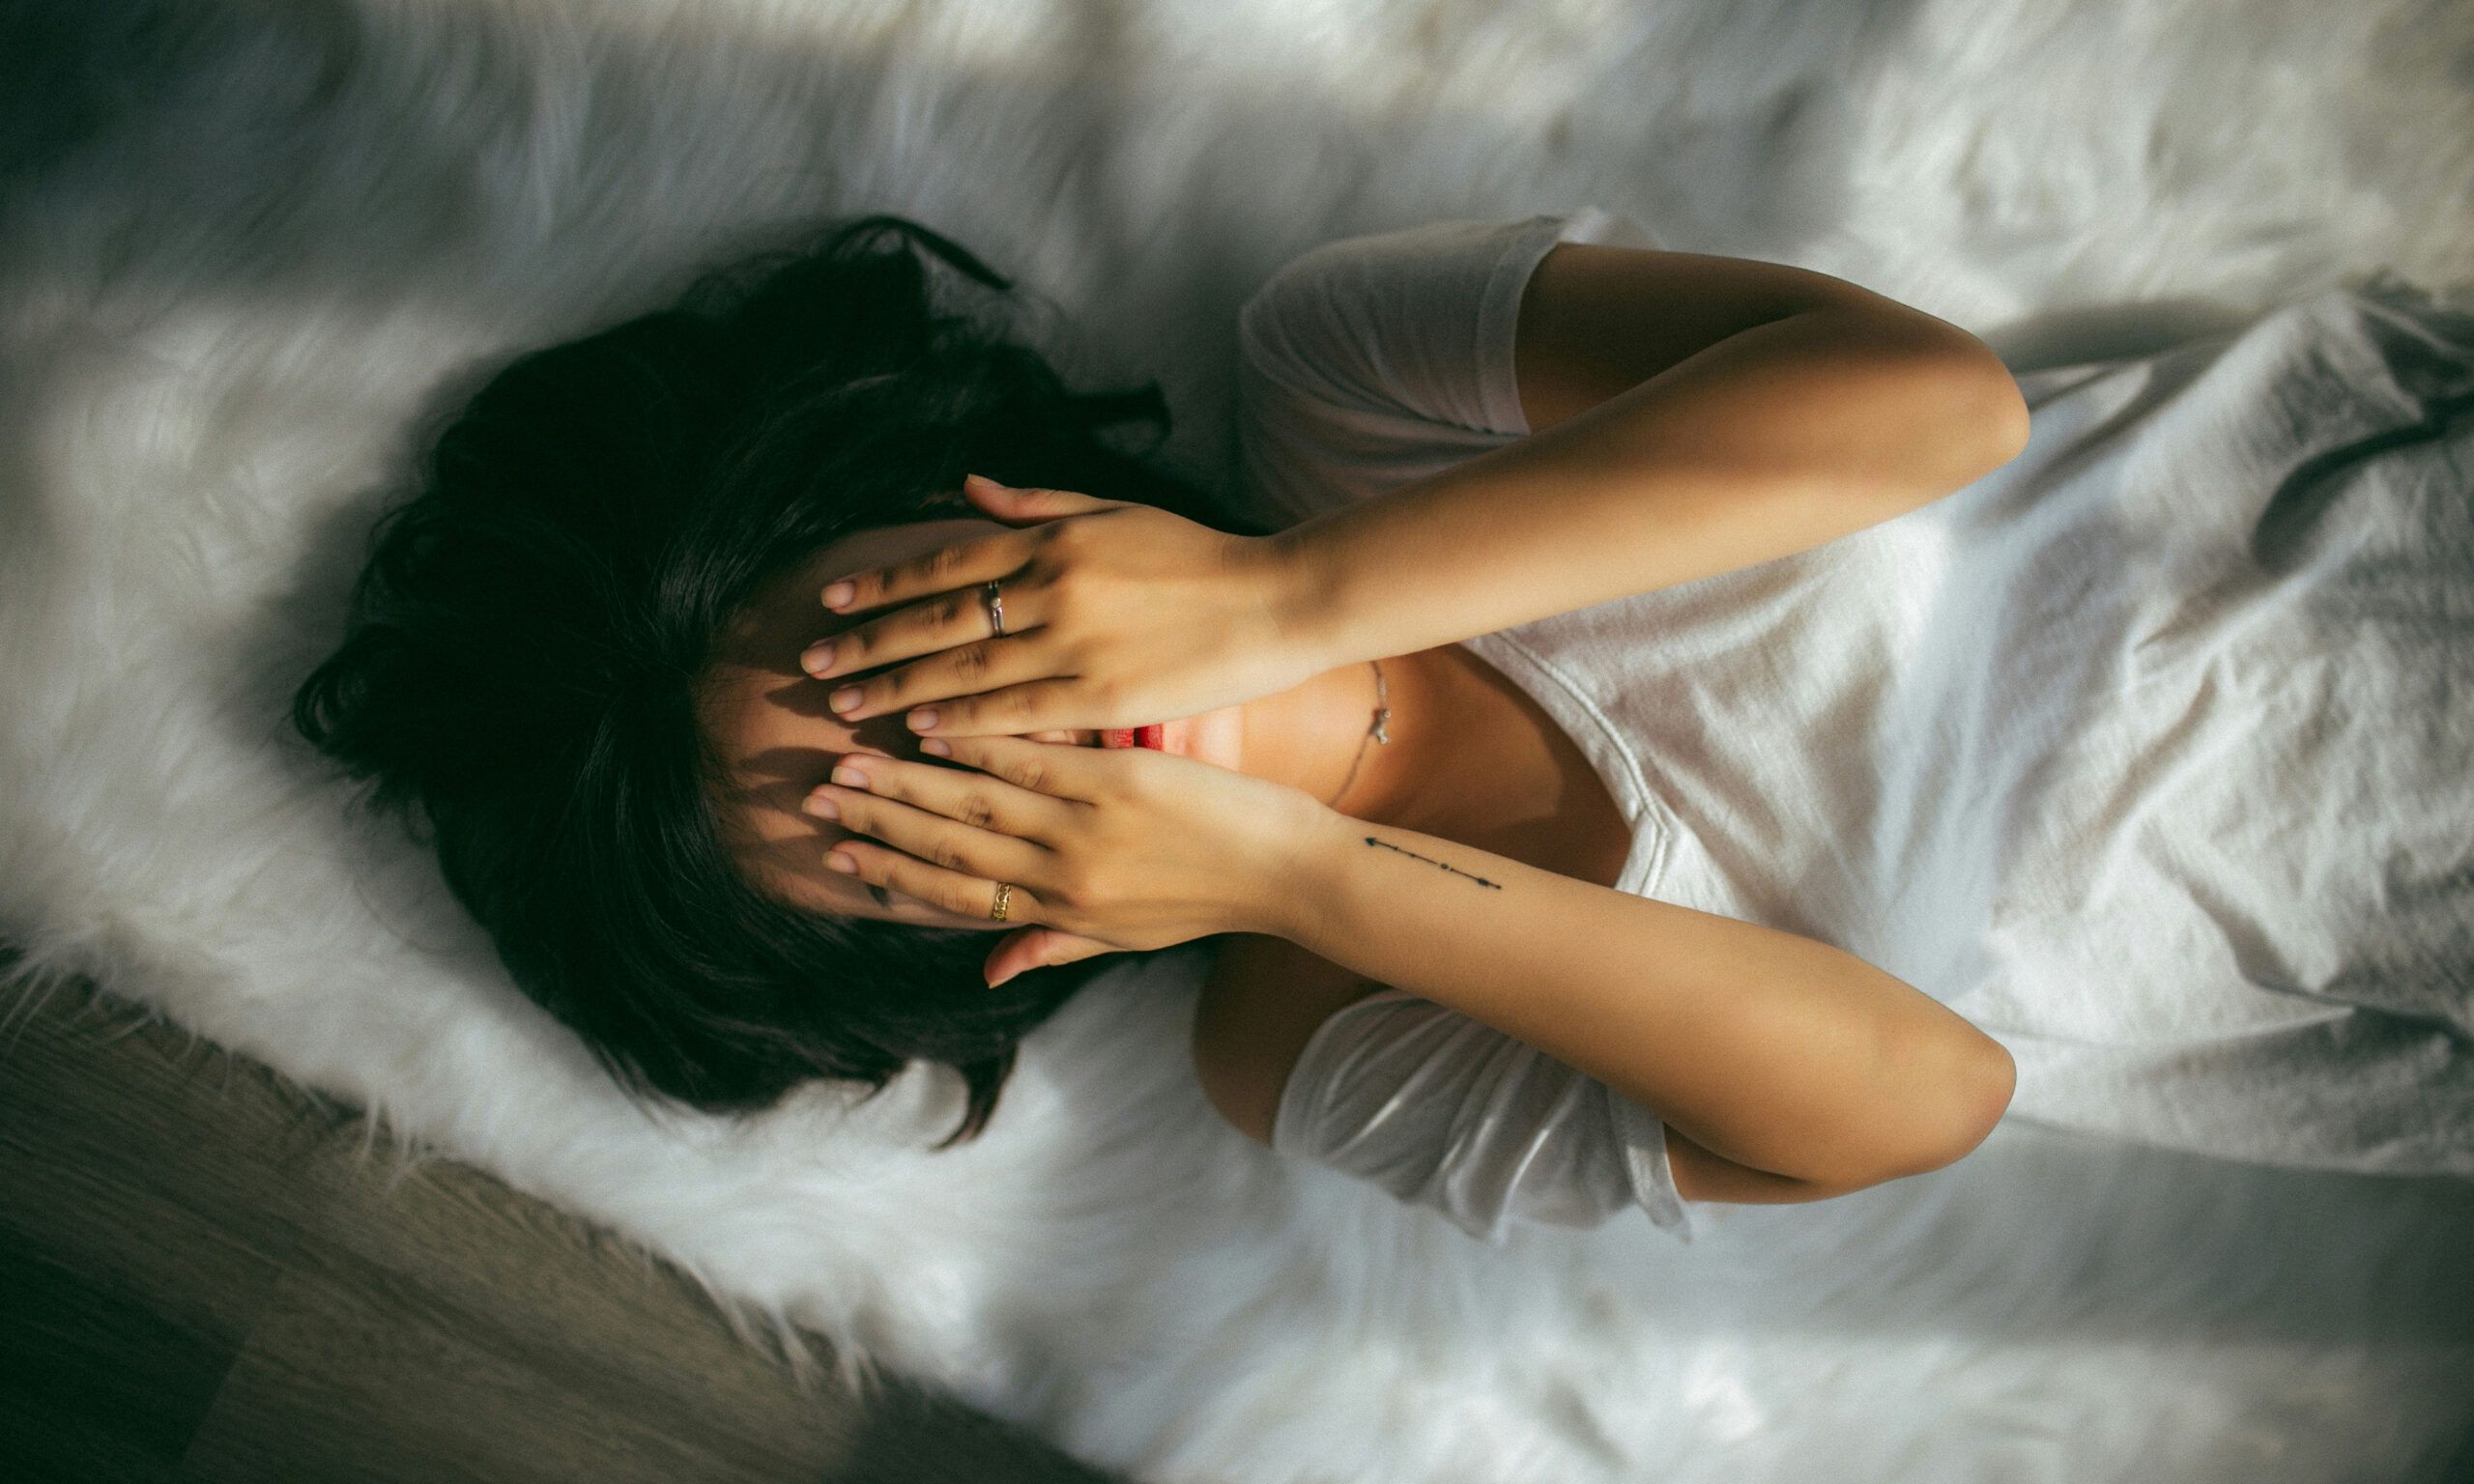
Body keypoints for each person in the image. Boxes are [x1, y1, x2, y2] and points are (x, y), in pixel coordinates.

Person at [298, 208, 2474, 1247]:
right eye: (896, 823)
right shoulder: (1301, 1039)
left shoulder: (1347, 382)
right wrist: (1286, 872)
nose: (1000, 747)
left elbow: (1929, 411)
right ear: (943, 934)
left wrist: (1286, 593)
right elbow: (1916, 1092)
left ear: (918, 503)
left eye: (896, 671)